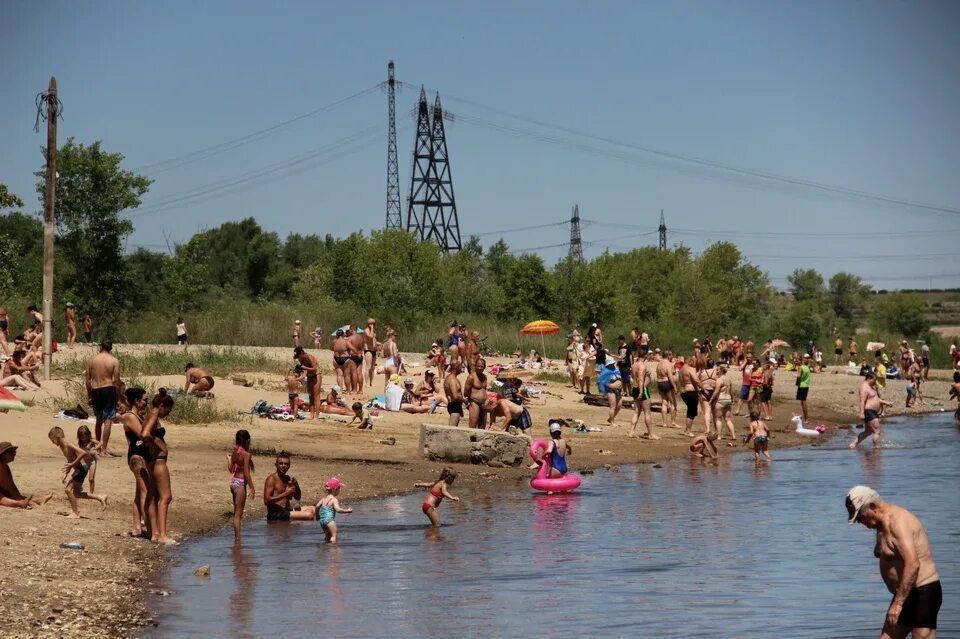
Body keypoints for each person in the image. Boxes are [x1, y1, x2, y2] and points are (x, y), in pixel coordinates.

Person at [845, 486, 942, 638]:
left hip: (923, 593)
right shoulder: (881, 524)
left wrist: (897, 604)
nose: (860, 522)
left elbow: (913, 563)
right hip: (905, 593)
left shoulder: (897, 522)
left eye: (861, 517)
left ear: (873, 507)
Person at [119, 387, 157, 539]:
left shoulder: (137, 416)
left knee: (139, 491)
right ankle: (148, 526)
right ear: (136, 401)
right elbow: (142, 434)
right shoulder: (130, 416)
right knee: (145, 491)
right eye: (145, 400)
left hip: (139, 454)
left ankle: (136, 527)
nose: (147, 403)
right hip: (136, 456)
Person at [48, 426, 107, 517]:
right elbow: (70, 459)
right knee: (77, 494)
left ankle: (75, 513)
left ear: (58, 437)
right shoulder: (62, 446)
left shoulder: (68, 444)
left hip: (81, 469)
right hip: (79, 469)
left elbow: (83, 453)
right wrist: (65, 473)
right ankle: (100, 497)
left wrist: (72, 465)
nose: (52, 442)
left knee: (68, 490)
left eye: (53, 440)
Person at [142, 388, 176, 544]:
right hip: (158, 460)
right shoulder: (154, 415)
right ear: (162, 406)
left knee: (154, 496)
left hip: (152, 460)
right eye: (168, 410)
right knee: (166, 497)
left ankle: (155, 533)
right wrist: (160, 446)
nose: (168, 413)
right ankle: (162, 534)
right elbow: (145, 434)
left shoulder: (149, 414)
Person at [86, 341, 121, 457]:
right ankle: (103, 450)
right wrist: (118, 398)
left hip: (96, 389)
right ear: (111, 348)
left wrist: (89, 395)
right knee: (108, 420)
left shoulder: (92, 360)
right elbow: (116, 381)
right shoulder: (114, 361)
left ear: (100, 347)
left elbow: (87, 381)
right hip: (108, 389)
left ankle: (97, 447)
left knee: (98, 419)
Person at [263, 452, 316, 522]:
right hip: (276, 514)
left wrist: (296, 484)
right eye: (281, 463)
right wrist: (285, 493)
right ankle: (295, 520)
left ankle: (294, 521)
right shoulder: (271, 479)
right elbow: (266, 501)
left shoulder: (288, 478)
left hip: (286, 510)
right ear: (276, 465)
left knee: (313, 509)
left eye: (286, 464)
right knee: (309, 515)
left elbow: (298, 497)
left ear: (289, 466)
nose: (283, 466)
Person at [0, 442, 53, 509]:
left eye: (15, 452)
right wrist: (19, 501)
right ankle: (19, 504)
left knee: (15, 496)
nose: (15, 454)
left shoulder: (5, 466)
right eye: (12, 452)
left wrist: (20, 498)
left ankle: (38, 500)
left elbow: (11, 487)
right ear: (4, 454)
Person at [227, 430, 255, 544]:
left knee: (236, 513)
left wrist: (229, 460)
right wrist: (252, 487)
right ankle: (238, 539)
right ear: (248, 440)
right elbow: (246, 473)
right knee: (238, 514)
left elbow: (231, 470)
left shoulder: (235, 452)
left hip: (233, 482)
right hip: (240, 483)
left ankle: (237, 539)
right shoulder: (246, 455)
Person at [850, 372, 892, 449]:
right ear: (869, 378)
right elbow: (862, 401)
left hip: (872, 412)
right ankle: (876, 448)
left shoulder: (870, 387)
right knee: (877, 431)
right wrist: (861, 413)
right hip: (869, 411)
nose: (875, 382)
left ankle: (853, 445)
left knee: (868, 432)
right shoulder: (864, 387)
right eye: (874, 380)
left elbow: (875, 399)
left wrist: (886, 402)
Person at [629, 353, 658, 439]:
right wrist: (641, 392)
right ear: (645, 356)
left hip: (634, 388)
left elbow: (635, 377)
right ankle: (650, 434)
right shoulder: (642, 366)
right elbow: (641, 379)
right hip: (642, 389)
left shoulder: (634, 365)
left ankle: (631, 431)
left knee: (636, 411)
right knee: (647, 412)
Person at [315, 477, 352, 543]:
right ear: (335, 489)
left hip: (322, 521)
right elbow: (338, 510)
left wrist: (317, 516)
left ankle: (326, 548)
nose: (339, 490)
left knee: (327, 536)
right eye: (339, 488)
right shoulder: (334, 500)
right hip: (329, 521)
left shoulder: (323, 499)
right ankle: (333, 551)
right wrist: (347, 511)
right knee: (334, 536)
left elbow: (317, 506)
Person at [655, 350, 679, 429]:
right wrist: (675, 386)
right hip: (666, 382)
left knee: (664, 402)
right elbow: (670, 376)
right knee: (673, 403)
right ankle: (673, 422)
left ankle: (664, 423)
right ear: (668, 355)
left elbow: (657, 374)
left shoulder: (659, 364)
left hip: (659, 382)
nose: (672, 357)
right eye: (671, 355)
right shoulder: (668, 364)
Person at [294, 347, 320, 420]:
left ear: (302, 353)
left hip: (316, 375)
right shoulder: (302, 359)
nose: (298, 358)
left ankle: (317, 416)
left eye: (299, 356)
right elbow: (304, 372)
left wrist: (305, 367)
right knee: (310, 395)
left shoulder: (310, 357)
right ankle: (311, 415)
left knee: (316, 396)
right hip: (309, 376)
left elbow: (314, 368)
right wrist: (299, 378)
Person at [678, 358, 702, 436]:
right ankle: (688, 430)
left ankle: (686, 429)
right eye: (694, 362)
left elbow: (682, 381)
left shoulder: (681, 369)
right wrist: (702, 387)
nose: (694, 364)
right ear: (690, 361)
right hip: (691, 391)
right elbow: (695, 379)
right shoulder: (690, 369)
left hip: (684, 391)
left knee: (690, 410)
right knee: (692, 411)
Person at [596, 357, 623, 427]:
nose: (612, 364)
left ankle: (611, 418)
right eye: (611, 363)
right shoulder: (605, 371)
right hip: (610, 390)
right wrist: (609, 386)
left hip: (618, 390)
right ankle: (612, 422)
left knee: (619, 405)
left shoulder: (616, 369)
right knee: (613, 406)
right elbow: (600, 381)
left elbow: (619, 378)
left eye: (613, 363)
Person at [465, 358, 489, 429]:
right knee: (473, 425)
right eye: (478, 366)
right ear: (475, 366)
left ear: (484, 367)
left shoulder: (485, 377)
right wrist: (468, 402)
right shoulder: (471, 377)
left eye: (482, 366)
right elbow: (466, 391)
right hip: (474, 402)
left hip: (484, 403)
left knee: (482, 426)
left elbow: (484, 389)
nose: (480, 368)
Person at [444, 361, 465, 427]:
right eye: (460, 367)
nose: (462, 369)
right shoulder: (452, 380)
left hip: (455, 405)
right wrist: (464, 400)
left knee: (453, 428)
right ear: (456, 368)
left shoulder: (450, 378)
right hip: (454, 405)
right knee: (452, 428)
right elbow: (455, 396)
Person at [362, 318, 378, 389]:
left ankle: (372, 382)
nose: (372, 325)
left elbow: (374, 339)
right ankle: (366, 383)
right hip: (368, 350)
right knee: (368, 367)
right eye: (371, 323)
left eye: (373, 324)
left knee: (373, 367)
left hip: (374, 350)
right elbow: (370, 337)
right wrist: (371, 329)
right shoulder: (366, 330)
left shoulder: (373, 331)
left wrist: (378, 344)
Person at [795, 353, 811, 421]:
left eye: (797, 360)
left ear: (800, 361)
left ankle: (806, 418)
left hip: (802, 385)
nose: (796, 361)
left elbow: (798, 377)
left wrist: (797, 383)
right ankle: (805, 417)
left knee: (803, 402)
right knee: (803, 401)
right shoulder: (806, 367)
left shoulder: (800, 367)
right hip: (806, 385)